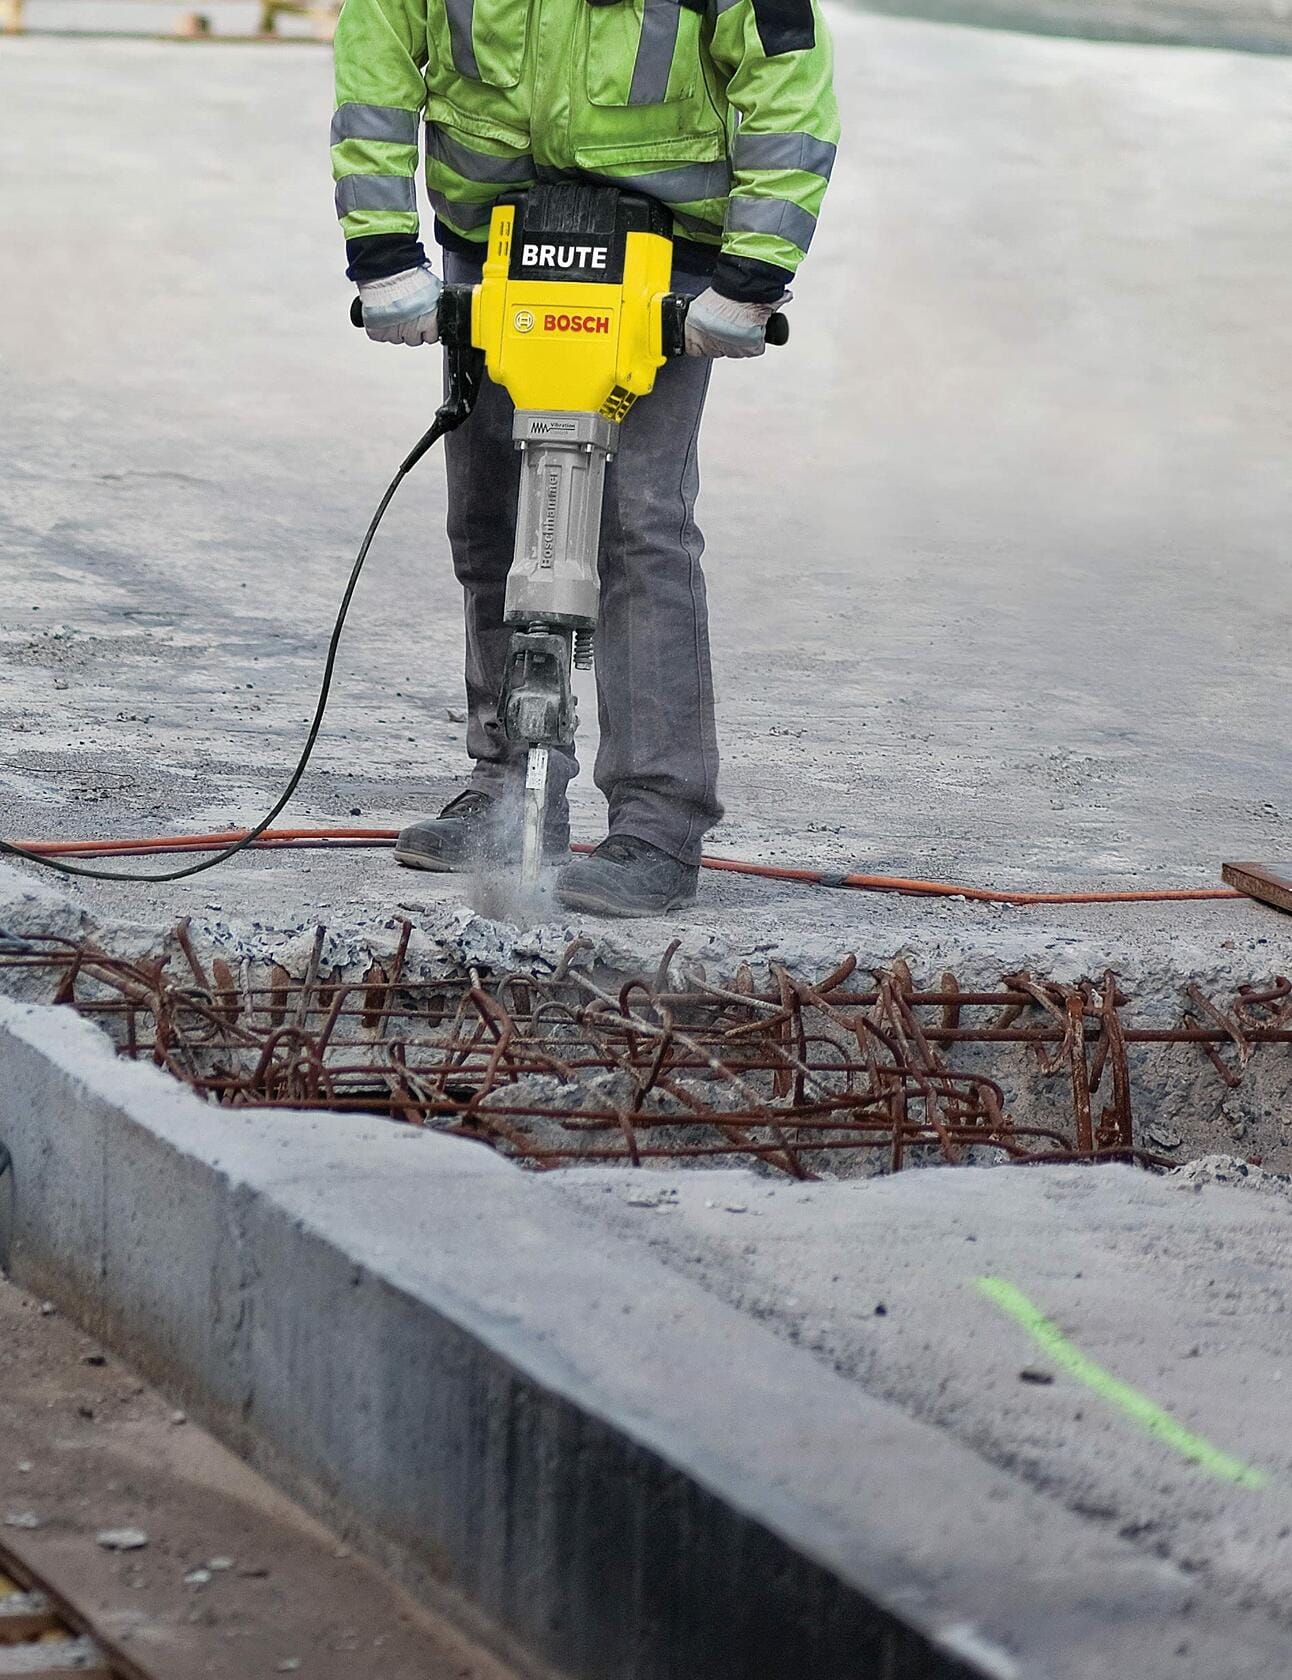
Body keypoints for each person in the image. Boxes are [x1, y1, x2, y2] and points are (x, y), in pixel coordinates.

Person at [332, 0, 838, 916]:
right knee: (491, 520)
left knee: (635, 523)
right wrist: (381, 254)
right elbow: (376, 65)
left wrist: (752, 280)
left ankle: (655, 828)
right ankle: (508, 789)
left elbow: (786, 87)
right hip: (490, 244)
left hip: (667, 255)